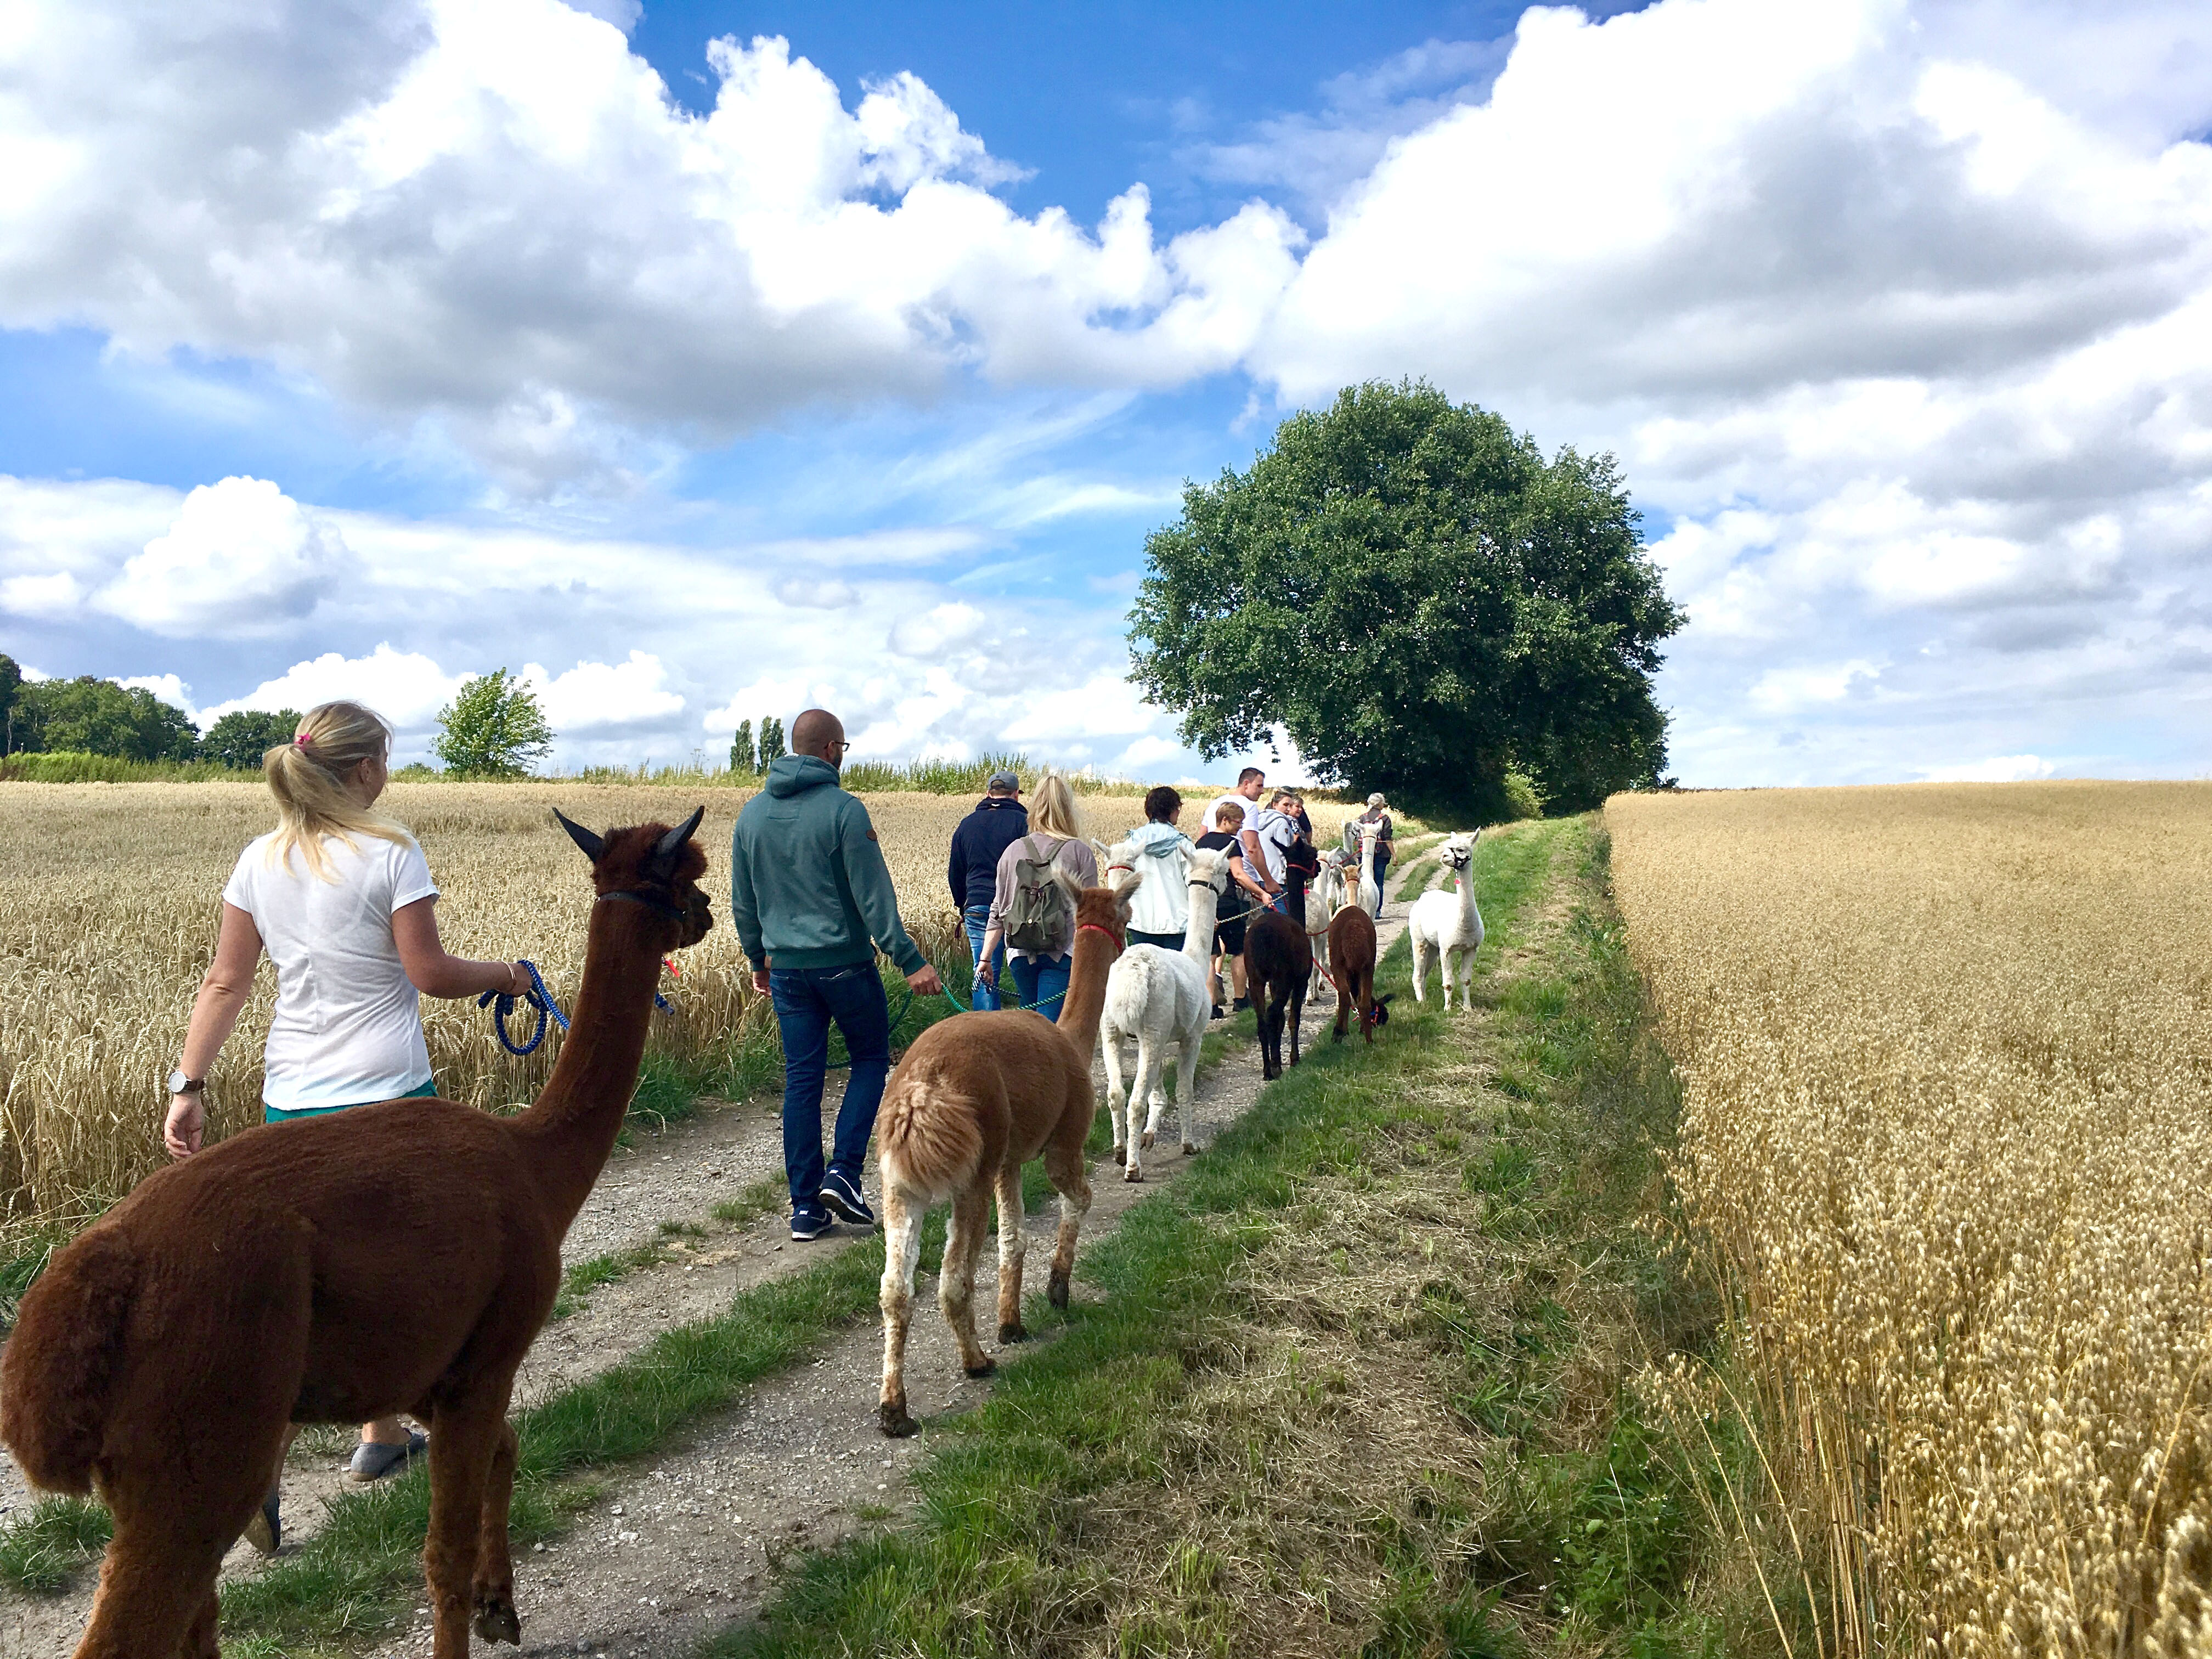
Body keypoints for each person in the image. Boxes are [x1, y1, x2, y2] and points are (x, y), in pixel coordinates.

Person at [164, 699, 534, 1550]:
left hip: (292, 1100)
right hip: (388, 1099)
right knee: (402, 1282)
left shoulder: (260, 860)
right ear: (365, 769)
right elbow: (431, 972)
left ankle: (374, 1438)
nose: (389, 775)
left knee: (319, 1286)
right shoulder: (390, 853)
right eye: (387, 761)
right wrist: (509, 976)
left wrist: (189, 1085)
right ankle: (314, 1452)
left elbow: (225, 982)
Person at [731, 709, 944, 1243]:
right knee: (871, 1059)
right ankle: (845, 1174)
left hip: (786, 972)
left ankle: (805, 1209)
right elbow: (874, 897)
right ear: (830, 750)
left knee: (802, 1079)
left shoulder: (751, 816)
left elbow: (744, 902)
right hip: (845, 965)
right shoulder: (845, 812)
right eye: (843, 749)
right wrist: (910, 960)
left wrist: (758, 960)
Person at [975, 771, 1098, 1019]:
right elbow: (1089, 917)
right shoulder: (1079, 852)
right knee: (1048, 1032)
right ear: (1068, 809)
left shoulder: (1012, 851)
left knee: (1029, 1027)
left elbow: (998, 910)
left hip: (1019, 953)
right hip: (1062, 954)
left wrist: (985, 959)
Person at [947, 768, 1028, 1009]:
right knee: (1026, 968)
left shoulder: (967, 825)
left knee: (983, 968)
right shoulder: (1025, 823)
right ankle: (1033, 1030)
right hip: (1019, 907)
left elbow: (956, 872)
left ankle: (985, 1034)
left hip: (978, 903)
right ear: (1016, 795)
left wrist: (963, 904)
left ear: (988, 793)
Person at [1195, 800, 1268, 1014]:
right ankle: (1240, 998)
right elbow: (1238, 874)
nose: (1241, 827)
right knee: (1239, 950)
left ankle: (1211, 1005)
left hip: (1206, 903)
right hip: (1227, 902)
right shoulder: (1231, 844)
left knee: (1210, 953)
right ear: (1225, 820)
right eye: (1238, 823)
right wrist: (1261, 893)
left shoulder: (1200, 843)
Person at [1122, 785, 1192, 951]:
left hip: (1141, 922)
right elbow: (1194, 883)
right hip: (1178, 924)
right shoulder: (1183, 845)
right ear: (1173, 809)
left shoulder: (1131, 843)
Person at [1240, 788, 1302, 916]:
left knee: (1267, 916)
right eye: (1285, 805)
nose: (1289, 809)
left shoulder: (1256, 820)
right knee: (1283, 919)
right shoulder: (1282, 822)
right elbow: (1284, 852)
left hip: (1260, 876)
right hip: (1278, 878)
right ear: (1274, 804)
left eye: (1290, 805)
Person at [1343, 792, 1397, 903]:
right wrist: (1394, 855)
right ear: (1380, 804)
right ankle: (1377, 911)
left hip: (1363, 854)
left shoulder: (1362, 818)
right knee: (1378, 883)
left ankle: (1363, 905)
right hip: (1381, 855)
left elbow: (1356, 836)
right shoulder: (1385, 818)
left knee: (1363, 881)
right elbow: (1387, 839)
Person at [1204, 766, 1266, 834]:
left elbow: (1202, 838)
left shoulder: (1214, 804)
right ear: (1246, 784)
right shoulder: (1250, 806)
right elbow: (1252, 844)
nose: (1262, 791)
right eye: (1259, 786)